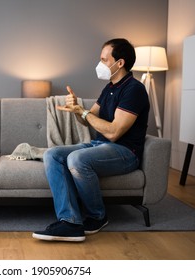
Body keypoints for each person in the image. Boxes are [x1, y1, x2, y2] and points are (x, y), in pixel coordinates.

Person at [33, 38, 149, 242]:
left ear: (119, 63)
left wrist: (83, 113)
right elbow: (87, 119)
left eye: (104, 60)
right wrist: (76, 108)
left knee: (77, 159)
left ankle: (98, 216)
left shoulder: (134, 90)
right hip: (100, 145)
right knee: (53, 154)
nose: (100, 64)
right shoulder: (109, 88)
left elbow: (114, 132)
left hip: (124, 152)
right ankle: (70, 221)